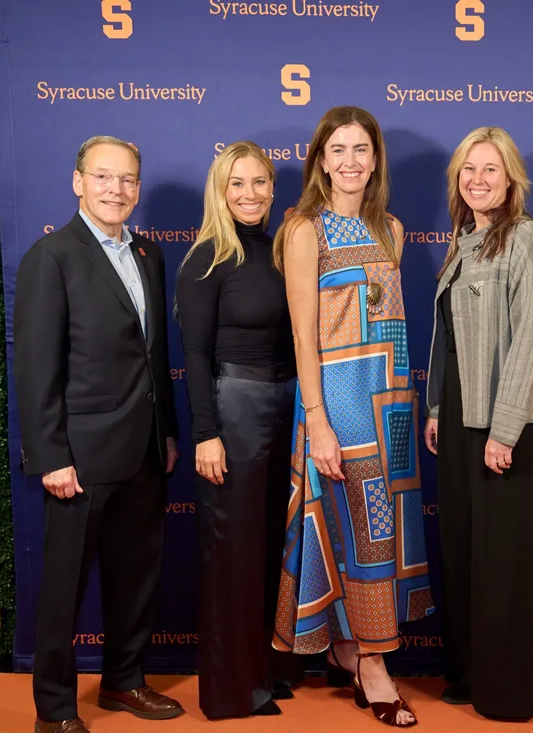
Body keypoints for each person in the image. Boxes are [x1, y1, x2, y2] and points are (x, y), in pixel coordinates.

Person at [14, 136, 184, 733]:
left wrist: (166, 432)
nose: (117, 190)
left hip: (142, 447)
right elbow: (37, 366)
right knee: (63, 587)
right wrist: (51, 455)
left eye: (129, 179)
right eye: (104, 177)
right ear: (78, 181)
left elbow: (153, 354)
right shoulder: (51, 256)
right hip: (80, 457)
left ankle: (124, 682)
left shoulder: (150, 256)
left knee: (136, 574)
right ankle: (54, 711)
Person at [270, 106, 432, 728]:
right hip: (336, 402)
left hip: (389, 402)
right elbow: (303, 336)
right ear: (319, 160)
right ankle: (373, 663)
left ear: (375, 159)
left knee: (379, 529)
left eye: (361, 148)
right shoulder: (305, 228)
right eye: (337, 149)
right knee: (357, 528)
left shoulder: (389, 226)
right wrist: (317, 420)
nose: (349, 161)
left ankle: (346, 648)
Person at [423, 127, 533, 720]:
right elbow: (449, 341)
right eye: (468, 170)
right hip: (459, 418)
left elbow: (532, 342)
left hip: (510, 424)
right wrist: (435, 409)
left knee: (507, 562)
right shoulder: (463, 241)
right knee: (465, 552)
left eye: (491, 170)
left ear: (511, 180)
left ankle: (511, 692)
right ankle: (471, 674)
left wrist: (504, 430)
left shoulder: (528, 241)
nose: (478, 180)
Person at [176, 141, 303, 719]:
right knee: (233, 551)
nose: (250, 194)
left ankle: (267, 671)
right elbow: (195, 353)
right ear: (220, 192)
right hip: (235, 409)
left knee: (272, 548)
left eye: (260, 183)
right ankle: (232, 690)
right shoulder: (206, 258)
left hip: (289, 405)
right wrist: (206, 433)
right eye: (237, 184)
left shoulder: (283, 249)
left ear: (274, 189)